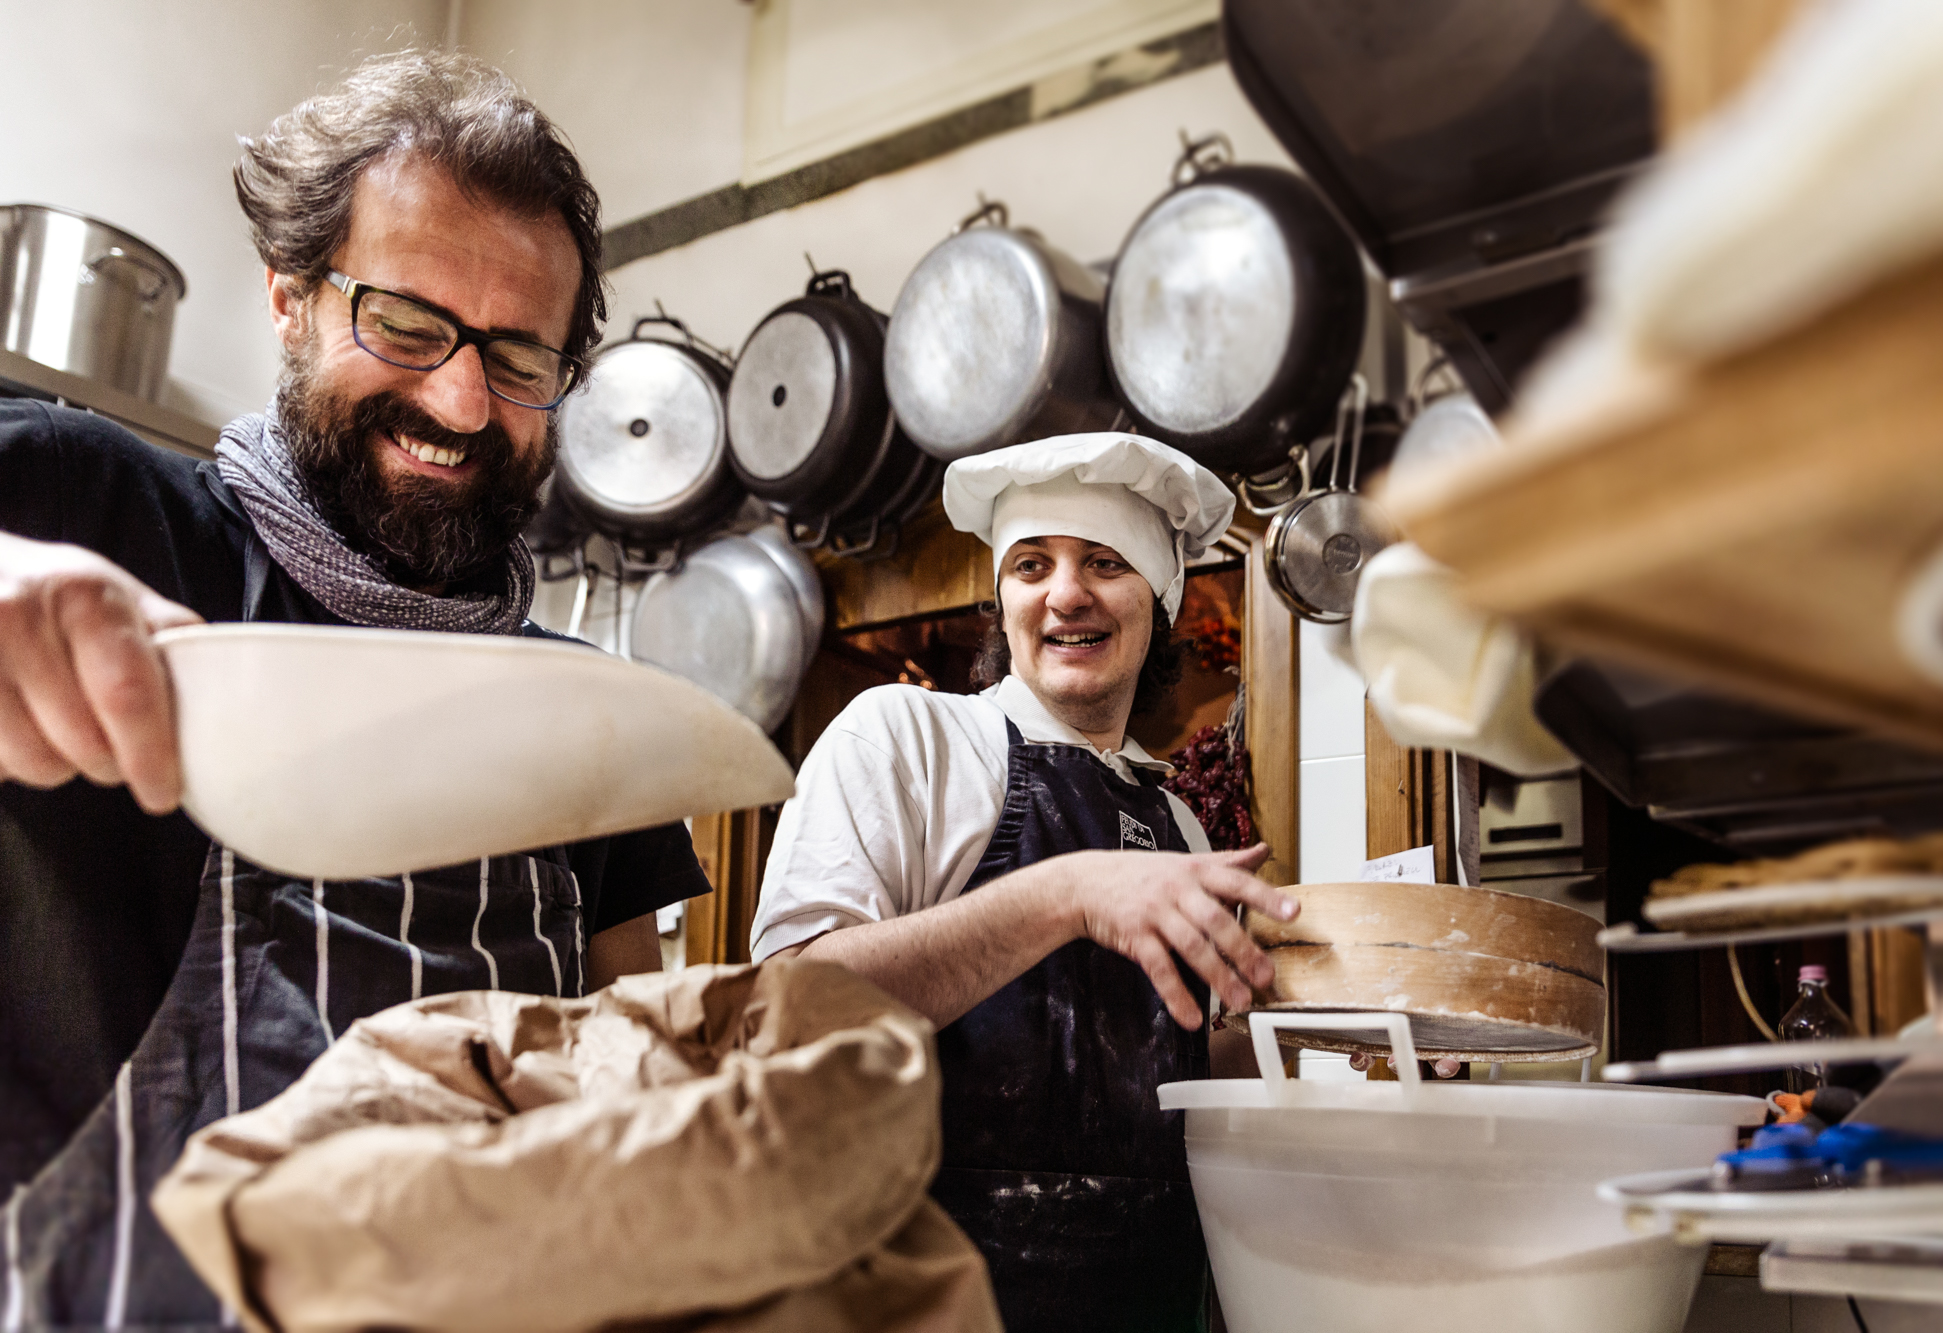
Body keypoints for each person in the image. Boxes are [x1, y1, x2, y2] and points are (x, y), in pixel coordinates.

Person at [0, 52, 709, 1325]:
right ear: (288, 299)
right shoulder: (89, 507)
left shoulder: (594, 727)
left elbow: (629, 1088)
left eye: (515, 356)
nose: (457, 398)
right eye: (405, 322)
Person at [750, 432, 1301, 1331]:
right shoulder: (907, 738)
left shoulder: (1179, 821)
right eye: (1033, 564)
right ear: (1002, 601)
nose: (1066, 592)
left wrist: (1333, 1045)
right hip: (929, 1294)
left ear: (1157, 600)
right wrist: (1068, 893)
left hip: (1150, 1296)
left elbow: (1173, 1064)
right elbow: (789, 1004)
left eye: (1105, 561)